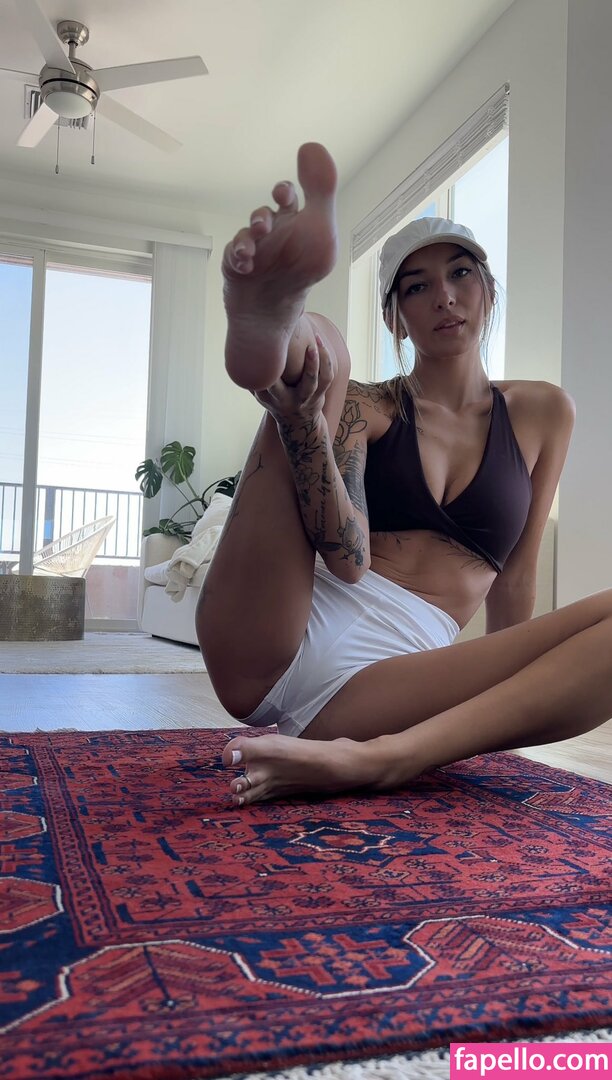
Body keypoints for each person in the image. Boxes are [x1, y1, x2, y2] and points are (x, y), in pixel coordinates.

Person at [196, 142, 612, 807]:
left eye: (461, 273)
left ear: (487, 289)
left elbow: (516, 579)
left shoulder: (543, 413)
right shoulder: (367, 406)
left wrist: (504, 702)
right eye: (416, 287)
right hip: (275, 632)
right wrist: (304, 428)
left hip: (403, 675)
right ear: (395, 316)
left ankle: (380, 756)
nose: (444, 297)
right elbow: (349, 560)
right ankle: (278, 330)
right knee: (329, 350)